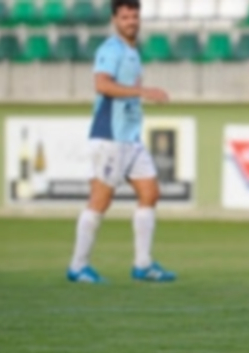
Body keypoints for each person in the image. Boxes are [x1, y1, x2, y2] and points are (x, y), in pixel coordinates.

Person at [66, 0, 175, 284]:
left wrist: (140, 94)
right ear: (115, 20)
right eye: (125, 17)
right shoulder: (110, 50)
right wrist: (143, 91)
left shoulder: (132, 52)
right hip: (110, 137)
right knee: (100, 200)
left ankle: (143, 264)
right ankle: (78, 266)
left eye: (135, 16)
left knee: (150, 192)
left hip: (131, 138)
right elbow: (101, 85)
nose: (131, 21)